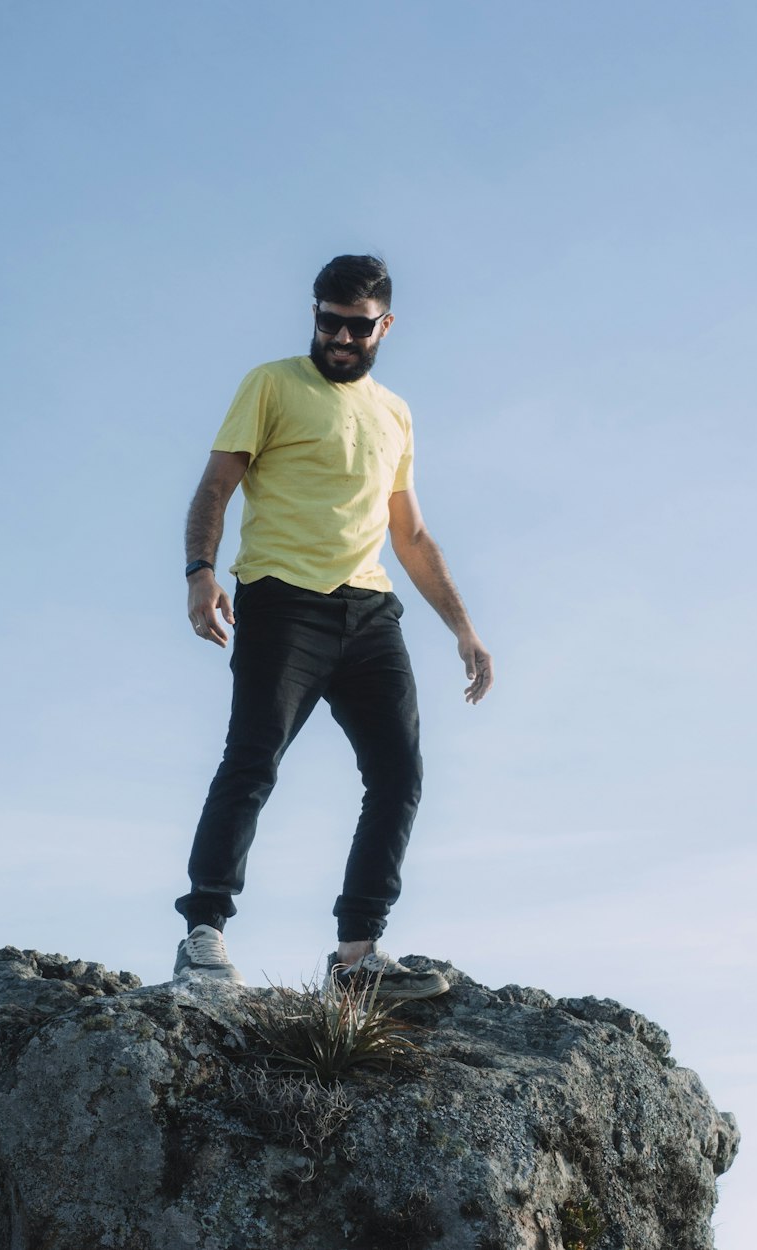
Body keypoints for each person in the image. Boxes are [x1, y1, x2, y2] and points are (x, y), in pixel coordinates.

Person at [174, 254, 492, 1000]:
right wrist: (200, 572)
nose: (340, 338)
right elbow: (217, 484)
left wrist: (464, 629)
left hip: (371, 610)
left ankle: (356, 961)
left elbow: (409, 533)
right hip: (283, 599)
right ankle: (204, 935)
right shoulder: (273, 383)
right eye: (328, 321)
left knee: (399, 775)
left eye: (357, 326)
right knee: (252, 762)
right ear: (313, 314)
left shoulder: (396, 412)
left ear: (385, 326)